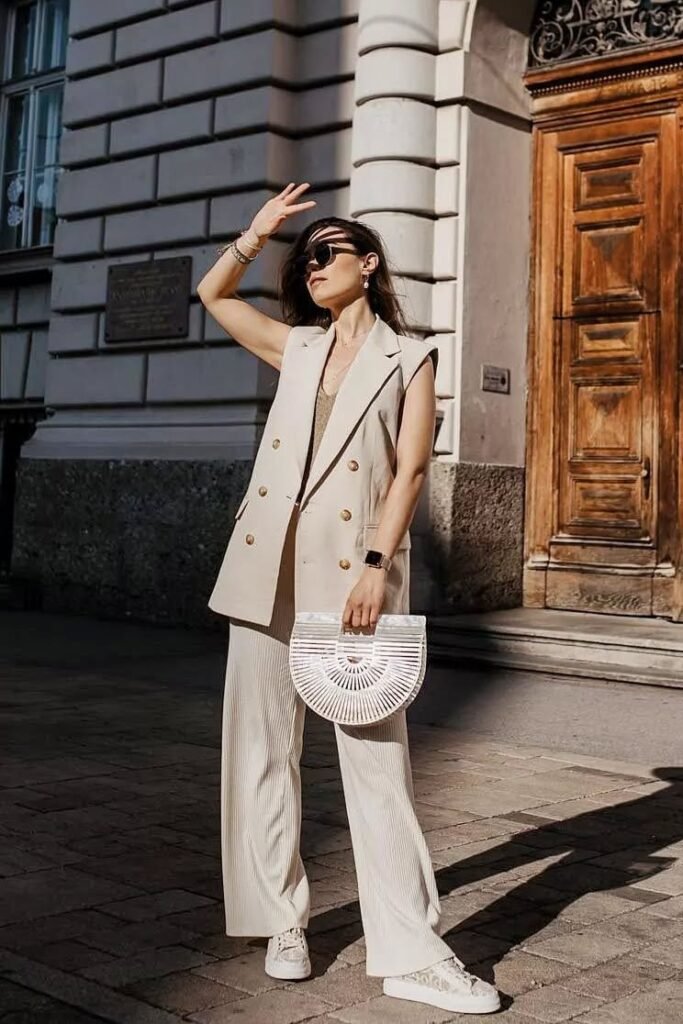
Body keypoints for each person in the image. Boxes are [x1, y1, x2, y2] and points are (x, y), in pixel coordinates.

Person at [196, 182, 501, 1016]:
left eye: (328, 251)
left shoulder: (410, 356)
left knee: (376, 767)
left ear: (367, 265)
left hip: (349, 577)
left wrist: (377, 563)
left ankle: (409, 948)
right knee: (260, 754)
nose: (314, 264)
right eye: (308, 256)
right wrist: (257, 234)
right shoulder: (294, 346)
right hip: (264, 571)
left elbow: (408, 469)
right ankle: (281, 921)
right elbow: (212, 294)